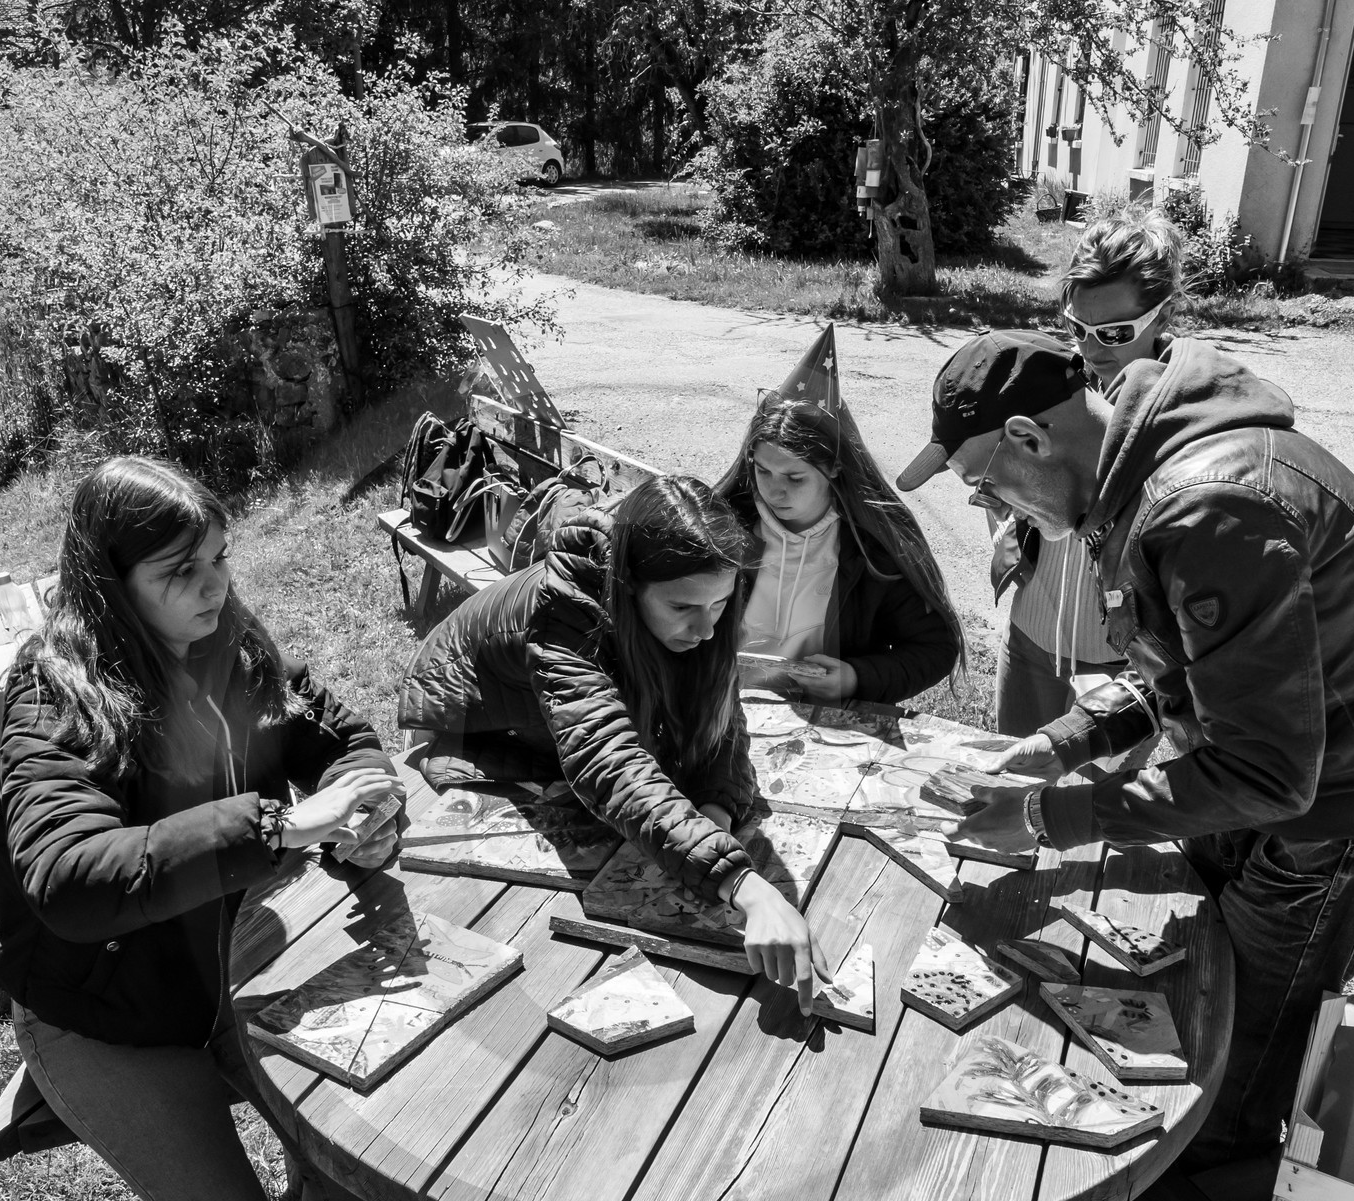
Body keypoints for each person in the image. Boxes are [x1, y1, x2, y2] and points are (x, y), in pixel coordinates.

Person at [897, 330, 1354, 1167]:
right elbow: (1190, 669)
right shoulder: (1151, 477)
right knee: (1193, 999)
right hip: (1277, 780)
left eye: (981, 483)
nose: (988, 510)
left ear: (1030, 438)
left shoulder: (1207, 502)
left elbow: (1269, 773)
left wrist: (1044, 817)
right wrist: (1063, 744)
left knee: (1240, 1062)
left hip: (1340, 813)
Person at [0, 456, 442, 1201]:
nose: (217, 587)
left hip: (225, 968)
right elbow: (69, 881)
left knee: (350, 1130)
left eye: (222, 559)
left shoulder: (231, 638)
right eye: (181, 573)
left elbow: (334, 729)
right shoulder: (57, 696)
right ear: (112, 589)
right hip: (106, 1014)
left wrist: (369, 799)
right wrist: (275, 826)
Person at [398, 473, 830, 1011]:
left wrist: (714, 812)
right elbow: (605, 755)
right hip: (470, 722)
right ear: (625, 586)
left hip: (547, 717)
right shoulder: (561, 613)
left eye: (720, 605)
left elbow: (721, 717)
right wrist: (742, 881)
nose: (708, 630)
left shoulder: (688, 598)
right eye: (682, 609)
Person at [975, 211, 1184, 736]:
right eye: (1077, 327)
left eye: (1114, 332)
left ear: (1163, 317)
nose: (1090, 349)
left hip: (1116, 659)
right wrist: (1008, 511)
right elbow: (1002, 497)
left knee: (1091, 807)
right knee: (1015, 785)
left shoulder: (1182, 419)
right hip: (1031, 637)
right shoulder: (1048, 384)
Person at [714, 324, 961, 704]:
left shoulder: (874, 547)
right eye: (761, 470)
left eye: (795, 477)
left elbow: (935, 648)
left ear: (834, 467)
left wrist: (857, 678)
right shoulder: (720, 525)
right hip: (719, 708)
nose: (773, 490)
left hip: (822, 725)